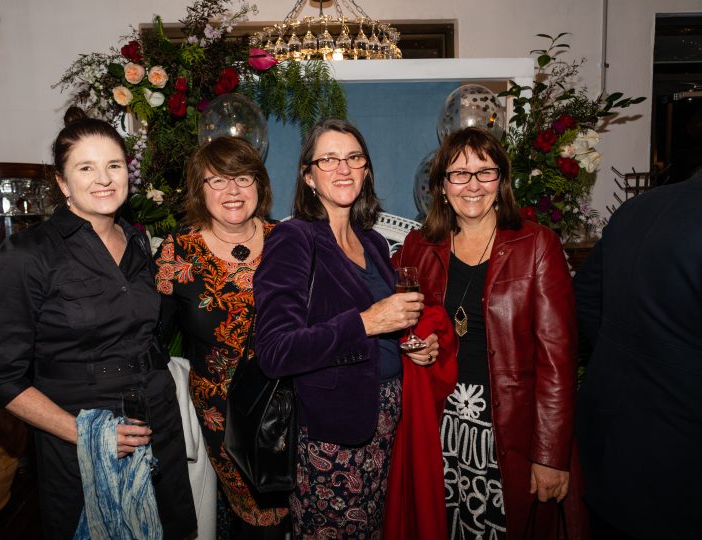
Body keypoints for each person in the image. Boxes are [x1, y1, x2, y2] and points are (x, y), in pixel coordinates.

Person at [0, 107, 197, 540]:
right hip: (80, 431)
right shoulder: (27, 255)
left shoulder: (138, 241)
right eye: (86, 167)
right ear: (62, 183)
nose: (104, 179)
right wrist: (86, 435)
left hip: (157, 423)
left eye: (114, 165)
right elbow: (1, 378)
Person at [395, 127, 589, 539]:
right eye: (460, 173)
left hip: (510, 432)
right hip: (440, 426)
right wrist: (418, 344)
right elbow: (404, 321)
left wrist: (551, 455)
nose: (473, 185)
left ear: (501, 182)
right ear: (442, 187)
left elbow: (558, 360)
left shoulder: (537, 245)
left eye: (485, 172)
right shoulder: (419, 246)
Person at [253, 118, 433, 538]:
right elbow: (276, 350)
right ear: (308, 176)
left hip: (384, 420)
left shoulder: (370, 241)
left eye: (354, 158)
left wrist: (409, 342)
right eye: (329, 159)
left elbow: (384, 323)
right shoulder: (293, 238)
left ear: (366, 169)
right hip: (331, 435)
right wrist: (367, 323)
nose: (343, 168)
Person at [155, 136, 289, 539]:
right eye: (217, 180)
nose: (232, 190)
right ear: (200, 190)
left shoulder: (289, 241)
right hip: (223, 415)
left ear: (260, 186)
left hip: (291, 402)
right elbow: (150, 337)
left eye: (243, 178)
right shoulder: (178, 251)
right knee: (256, 517)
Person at [573, 170, 702, 540]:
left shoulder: (637, 207)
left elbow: (583, 295)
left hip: (609, 438)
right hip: (680, 461)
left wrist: (623, 357)